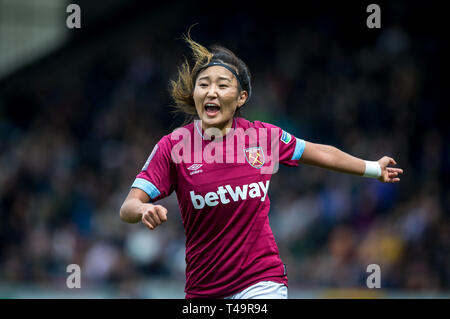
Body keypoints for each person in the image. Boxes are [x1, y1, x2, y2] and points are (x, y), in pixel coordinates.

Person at [119, 31, 403, 299]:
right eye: (203, 84)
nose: (211, 92)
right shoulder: (173, 146)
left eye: (223, 85)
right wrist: (143, 208)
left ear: (241, 97)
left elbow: (320, 153)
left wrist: (373, 168)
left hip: (261, 280)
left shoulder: (263, 136)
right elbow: (128, 207)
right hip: (203, 289)